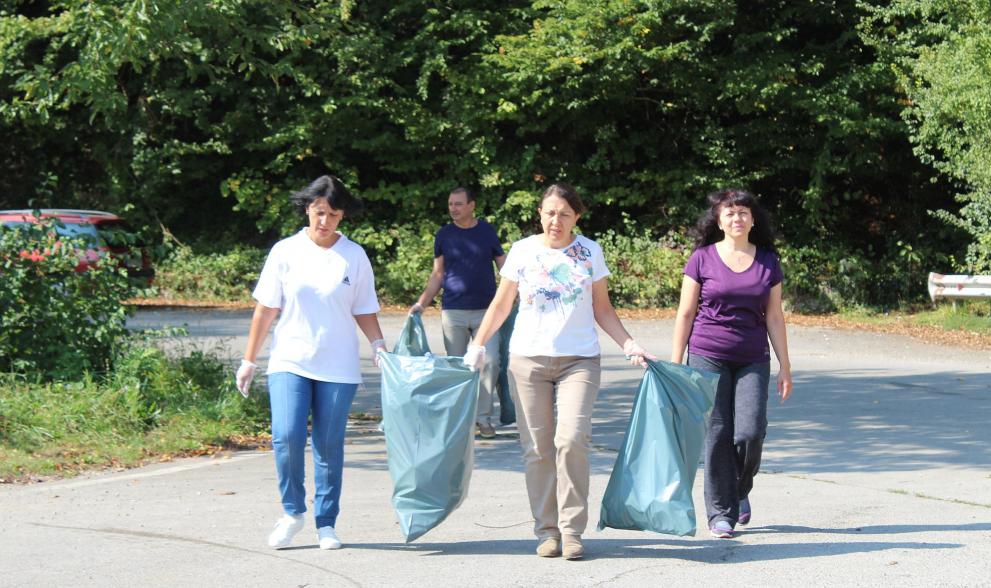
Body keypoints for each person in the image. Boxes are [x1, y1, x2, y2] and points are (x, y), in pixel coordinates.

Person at [463, 183, 653, 561]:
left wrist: (629, 343)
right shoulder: (522, 250)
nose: (556, 220)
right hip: (527, 360)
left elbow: (602, 308)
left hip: (579, 360)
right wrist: (478, 344)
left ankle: (572, 530)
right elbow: (501, 304)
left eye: (564, 214)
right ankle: (547, 530)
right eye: (550, 212)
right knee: (537, 449)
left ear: (576, 217)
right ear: (539, 213)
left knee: (571, 439)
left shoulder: (589, 252)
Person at [235, 175, 386, 551]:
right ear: (307, 209)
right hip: (290, 359)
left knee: (328, 444)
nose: (324, 221)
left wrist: (378, 345)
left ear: (342, 216)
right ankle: (292, 512)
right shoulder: (285, 251)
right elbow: (266, 309)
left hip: (338, 365)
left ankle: (326, 523)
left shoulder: (354, 256)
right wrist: (249, 360)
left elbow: (364, 308)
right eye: (319, 212)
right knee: (286, 435)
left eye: (333, 214)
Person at [669, 188, 793, 539]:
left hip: (753, 356)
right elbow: (685, 313)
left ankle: (739, 488)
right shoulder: (702, 259)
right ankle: (721, 512)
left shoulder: (768, 261)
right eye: (730, 212)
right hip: (708, 354)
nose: (737, 218)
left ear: (753, 220)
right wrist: (676, 366)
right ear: (719, 220)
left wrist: (785, 366)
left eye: (743, 212)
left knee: (750, 432)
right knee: (718, 433)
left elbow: (775, 316)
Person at [409, 187, 506, 438]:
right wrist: (422, 303)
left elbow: (504, 268)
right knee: (458, 367)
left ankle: (483, 418)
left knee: (490, 361)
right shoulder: (444, 235)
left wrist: (516, 293)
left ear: (472, 205)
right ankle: (462, 421)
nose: (453, 208)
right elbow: (437, 274)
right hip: (454, 312)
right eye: (451, 204)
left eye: (459, 204)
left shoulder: (487, 231)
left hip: (487, 311)